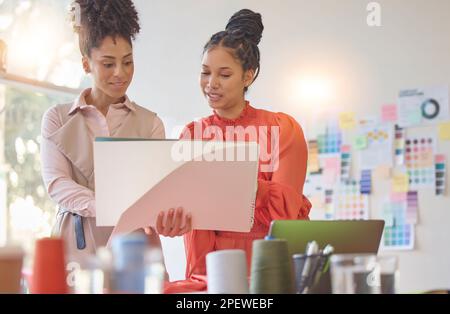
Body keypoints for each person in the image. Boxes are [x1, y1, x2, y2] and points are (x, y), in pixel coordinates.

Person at [40, 0, 190, 263]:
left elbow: (156, 193)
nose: (120, 73)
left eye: (128, 62)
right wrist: (114, 207)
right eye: (108, 64)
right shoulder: (57, 118)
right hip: (76, 247)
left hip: (136, 250)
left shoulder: (151, 124)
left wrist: (168, 218)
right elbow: (58, 184)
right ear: (86, 64)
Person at [179, 9, 312, 282]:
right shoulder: (193, 135)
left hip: (275, 264)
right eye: (205, 73)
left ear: (248, 76)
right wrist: (202, 280)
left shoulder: (283, 129)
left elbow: (285, 212)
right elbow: (195, 223)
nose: (211, 84)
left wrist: (244, 180)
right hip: (217, 270)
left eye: (224, 75)